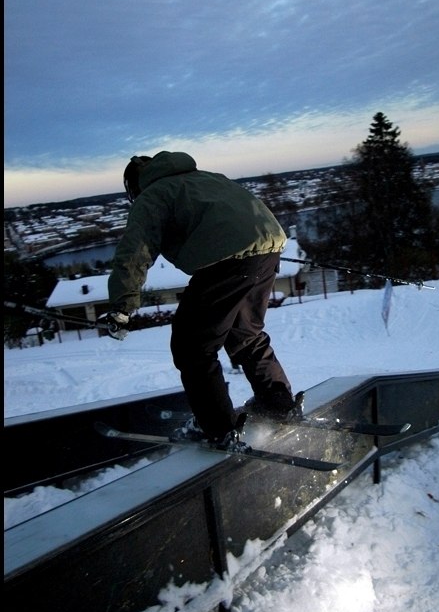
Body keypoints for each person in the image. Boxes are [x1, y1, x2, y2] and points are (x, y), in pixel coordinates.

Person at [106, 150, 300, 448]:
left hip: (227, 261)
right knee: (247, 333)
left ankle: (219, 429)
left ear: (134, 185)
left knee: (191, 346)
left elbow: (134, 251)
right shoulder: (205, 178)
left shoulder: (153, 194)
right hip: (267, 247)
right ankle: (278, 403)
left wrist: (121, 307)